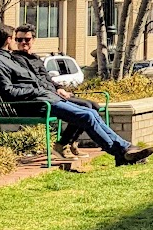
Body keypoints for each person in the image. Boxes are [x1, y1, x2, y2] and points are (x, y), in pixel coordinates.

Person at [0, 27, 153, 167]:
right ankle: (121, 153)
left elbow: (36, 80)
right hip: (34, 104)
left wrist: (49, 89)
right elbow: (8, 92)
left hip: (45, 98)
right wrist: (36, 90)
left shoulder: (9, 59)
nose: (18, 42)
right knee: (86, 115)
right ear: (8, 39)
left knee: (91, 112)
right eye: (15, 39)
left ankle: (125, 149)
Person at [10, 25, 102, 159]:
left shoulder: (36, 58)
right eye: (19, 40)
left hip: (53, 94)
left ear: (33, 40)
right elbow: (34, 82)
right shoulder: (17, 60)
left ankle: (71, 144)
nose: (23, 43)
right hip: (44, 99)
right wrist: (54, 92)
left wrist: (59, 88)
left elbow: (47, 78)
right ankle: (62, 145)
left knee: (94, 105)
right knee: (86, 107)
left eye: (27, 39)